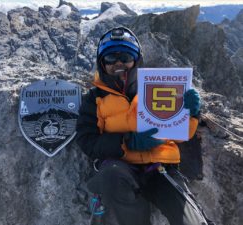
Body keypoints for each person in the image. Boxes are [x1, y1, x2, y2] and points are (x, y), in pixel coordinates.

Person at [76, 27, 214, 225]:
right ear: (101, 63)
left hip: (159, 167)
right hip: (119, 167)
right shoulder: (95, 99)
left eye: (125, 56)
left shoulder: (158, 88)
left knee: (191, 220)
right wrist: (126, 142)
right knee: (112, 178)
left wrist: (191, 114)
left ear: (136, 60)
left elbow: (179, 134)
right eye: (110, 59)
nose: (118, 63)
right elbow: (86, 139)